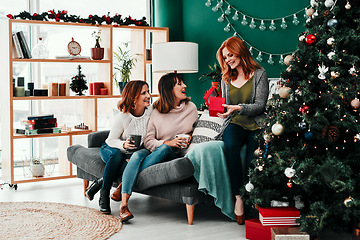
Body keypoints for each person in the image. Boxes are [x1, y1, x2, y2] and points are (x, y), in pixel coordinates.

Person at [118, 73, 199, 222]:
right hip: (154, 152)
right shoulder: (156, 112)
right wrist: (168, 143)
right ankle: (124, 205)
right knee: (138, 155)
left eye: (183, 83)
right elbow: (148, 141)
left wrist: (187, 136)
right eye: (180, 84)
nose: (185, 86)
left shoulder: (191, 108)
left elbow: (194, 131)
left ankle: (125, 181)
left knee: (164, 149)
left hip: (174, 155)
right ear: (169, 89)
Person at [216, 36, 269, 225]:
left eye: (231, 54)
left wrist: (238, 107)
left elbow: (260, 106)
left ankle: (251, 196)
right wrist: (224, 112)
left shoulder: (260, 74)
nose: (228, 59)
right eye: (225, 57)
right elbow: (228, 106)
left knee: (252, 157)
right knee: (230, 146)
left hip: (256, 123)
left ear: (240, 52)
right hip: (236, 122)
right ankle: (238, 197)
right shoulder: (226, 78)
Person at [85, 80, 152, 215]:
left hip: (129, 153)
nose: (149, 96)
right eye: (144, 93)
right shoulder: (123, 117)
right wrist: (123, 144)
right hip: (110, 147)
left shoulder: (150, 113)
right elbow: (110, 140)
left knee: (127, 164)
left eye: (148, 92)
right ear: (134, 97)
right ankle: (104, 197)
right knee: (116, 155)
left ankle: (100, 182)